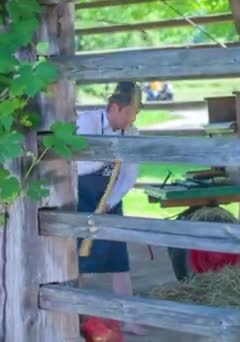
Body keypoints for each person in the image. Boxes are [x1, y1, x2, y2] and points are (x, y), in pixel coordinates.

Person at [76, 81, 147, 336]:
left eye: (135, 114)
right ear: (115, 107)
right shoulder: (88, 123)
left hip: (109, 201)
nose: (131, 119)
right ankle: (79, 319)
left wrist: (111, 201)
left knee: (120, 261)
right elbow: (79, 166)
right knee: (76, 261)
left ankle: (128, 319)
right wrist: (109, 151)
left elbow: (129, 175)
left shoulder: (132, 133)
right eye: (129, 113)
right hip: (81, 198)